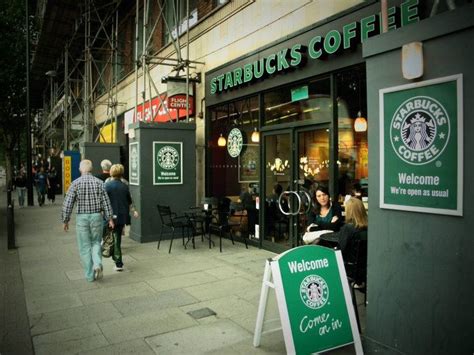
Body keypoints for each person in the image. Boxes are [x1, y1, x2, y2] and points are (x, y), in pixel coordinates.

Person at [62, 159, 114, 282]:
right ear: (91, 169)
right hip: (97, 216)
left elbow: (68, 203)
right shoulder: (99, 183)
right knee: (96, 242)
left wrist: (65, 220)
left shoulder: (75, 183)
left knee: (85, 247)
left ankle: (90, 276)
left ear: (80, 169)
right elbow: (106, 202)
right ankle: (97, 264)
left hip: (82, 218)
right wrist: (110, 218)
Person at [317, 197, 368, 285]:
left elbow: (340, 251)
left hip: (350, 269)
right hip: (364, 268)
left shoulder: (348, 228)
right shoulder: (368, 227)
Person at [104, 164, 138, 271]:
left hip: (110, 216)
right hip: (122, 216)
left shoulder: (107, 185)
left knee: (113, 238)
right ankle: (115, 257)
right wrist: (134, 211)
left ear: (111, 172)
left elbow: (103, 202)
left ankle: (118, 262)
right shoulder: (125, 186)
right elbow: (129, 201)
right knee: (116, 237)